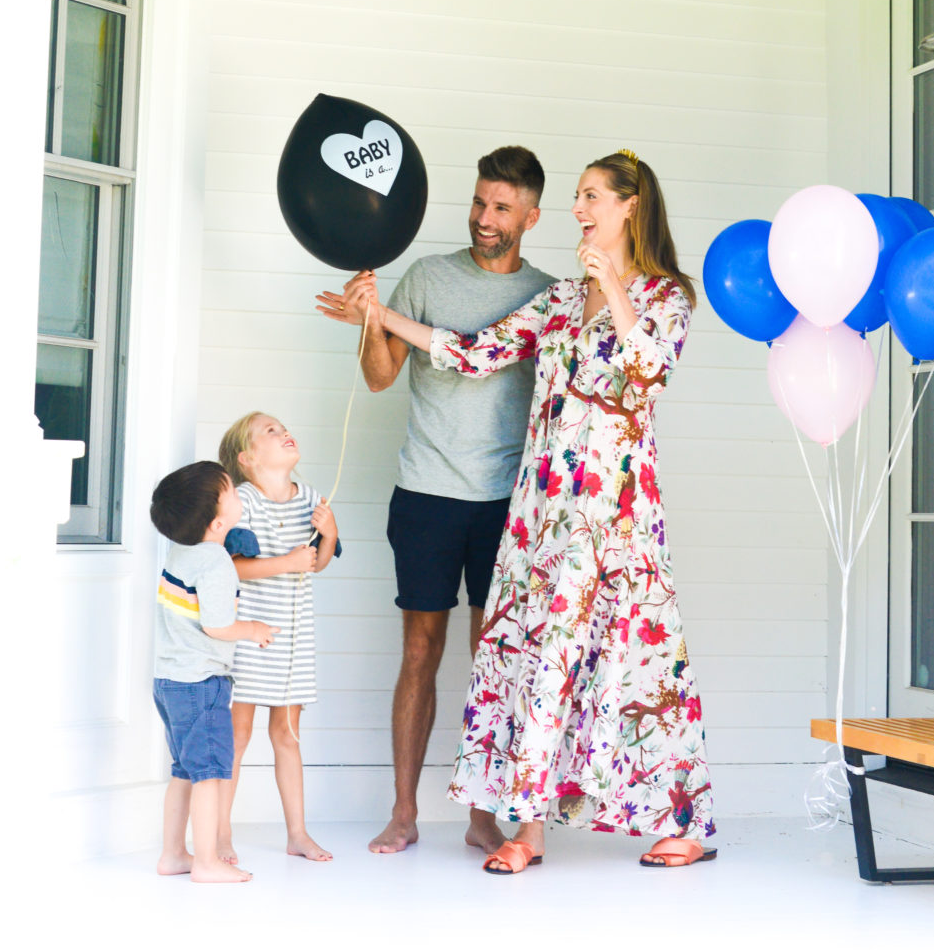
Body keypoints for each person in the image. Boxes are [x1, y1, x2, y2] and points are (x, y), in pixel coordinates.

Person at [343, 151, 716, 874]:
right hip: (543, 510)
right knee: (532, 658)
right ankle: (528, 828)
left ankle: (684, 818)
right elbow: (474, 351)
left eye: (591, 196)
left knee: (639, 661)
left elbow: (647, 375)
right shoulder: (559, 299)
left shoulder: (669, 295)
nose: (580, 208)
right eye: (576, 196)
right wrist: (380, 314)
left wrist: (615, 284)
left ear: (630, 206)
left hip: (618, 511)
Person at [316, 145, 554, 855]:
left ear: (531, 216)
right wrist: (370, 321)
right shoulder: (426, 276)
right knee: (420, 649)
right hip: (425, 493)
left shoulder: (548, 293)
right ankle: (403, 811)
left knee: (493, 658)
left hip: (508, 504)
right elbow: (383, 376)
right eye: (479, 202)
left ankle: (483, 812)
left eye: (501, 207)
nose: (484, 217)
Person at [215, 412, 340, 864]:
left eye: (283, 425)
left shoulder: (311, 500)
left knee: (287, 733)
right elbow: (230, 566)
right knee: (238, 731)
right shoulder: (241, 503)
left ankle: (298, 834)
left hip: (291, 637)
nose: (283, 430)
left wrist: (330, 536)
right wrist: (284, 562)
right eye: (270, 431)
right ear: (248, 458)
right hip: (249, 632)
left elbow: (315, 564)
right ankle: (220, 833)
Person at [149, 460, 279, 883]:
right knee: (209, 776)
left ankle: (173, 854)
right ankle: (205, 862)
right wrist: (255, 630)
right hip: (201, 683)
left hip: (169, 681)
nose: (241, 495)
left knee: (185, 771)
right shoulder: (217, 563)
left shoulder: (182, 550)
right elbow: (218, 625)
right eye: (234, 493)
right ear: (218, 520)